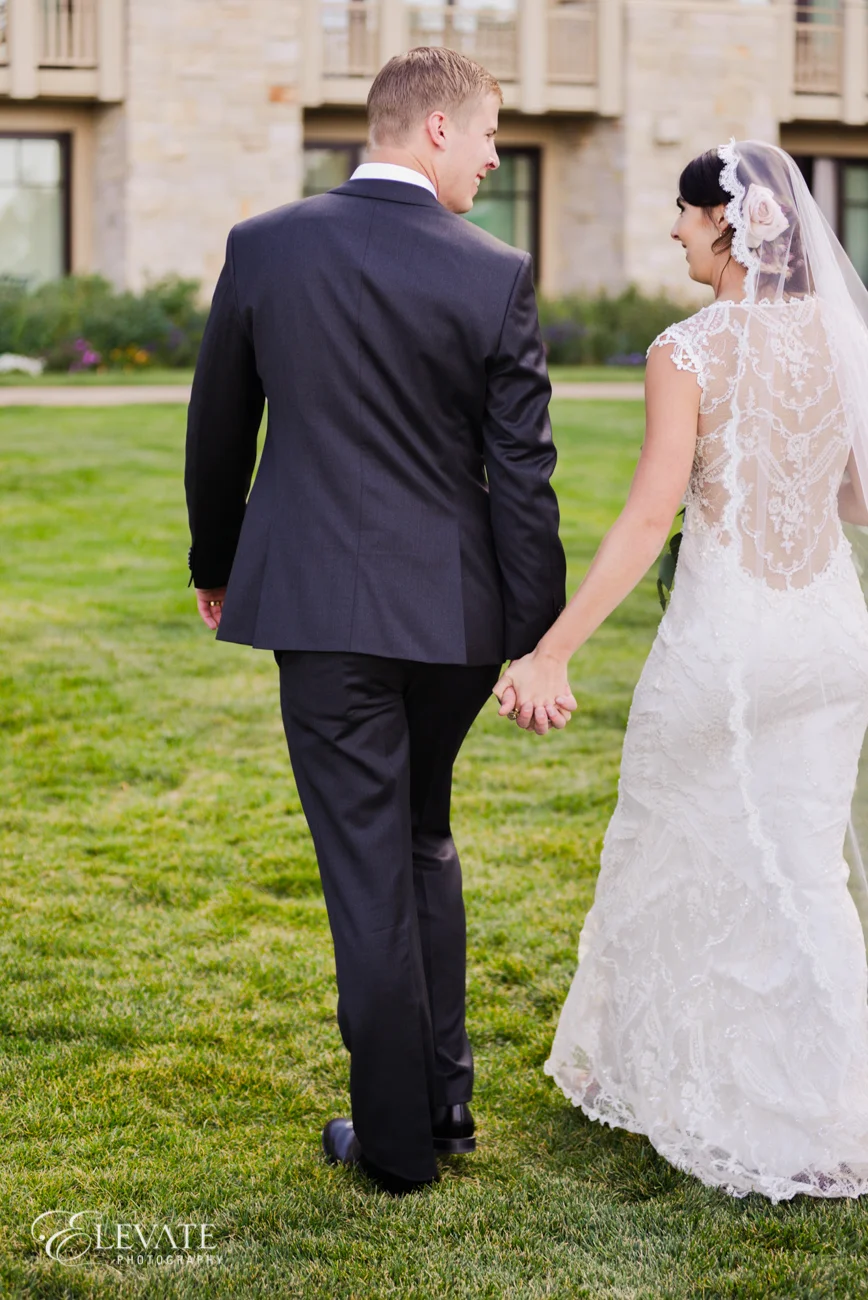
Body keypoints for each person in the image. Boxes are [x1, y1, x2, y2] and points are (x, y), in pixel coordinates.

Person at [184, 46, 568, 1195]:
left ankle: (398, 1145)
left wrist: (216, 562)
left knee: (369, 871)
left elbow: (218, 431)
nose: (498, 159)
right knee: (419, 841)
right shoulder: (495, 271)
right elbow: (525, 476)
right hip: (456, 617)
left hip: (320, 611)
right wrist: (535, 632)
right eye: (492, 134)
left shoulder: (265, 246)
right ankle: (441, 1102)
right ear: (433, 130)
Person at [495, 140, 868, 1200]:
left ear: (728, 222)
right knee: (804, 871)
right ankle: (826, 1101)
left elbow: (653, 510)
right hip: (832, 639)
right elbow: (856, 498)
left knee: (680, 848)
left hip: (730, 646)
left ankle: (695, 1086)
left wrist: (552, 648)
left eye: (681, 212)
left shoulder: (689, 348)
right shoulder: (838, 338)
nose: (672, 230)